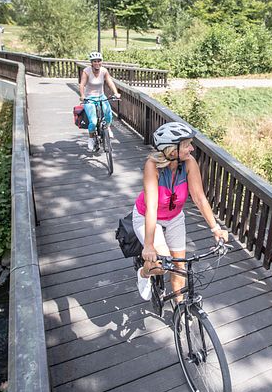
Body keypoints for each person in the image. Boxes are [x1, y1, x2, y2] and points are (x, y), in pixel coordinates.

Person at [132, 121, 229, 301]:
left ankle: (180, 308)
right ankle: (143, 273)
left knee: (179, 267)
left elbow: (199, 198)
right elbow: (151, 207)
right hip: (147, 216)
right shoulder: (152, 166)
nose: (191, 149)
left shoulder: (189, 163)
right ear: (172, 150)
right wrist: (149, 245)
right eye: (186, 145)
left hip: (174, 217)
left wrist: (215, 229)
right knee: (161, 265)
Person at [79, 51, 121, 151]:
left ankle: (107, 127)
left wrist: (116, 93)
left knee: (108, 114)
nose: (97, 63)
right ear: (91, 62)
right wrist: (82, 95)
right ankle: (91, 139)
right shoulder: (87, 71)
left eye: (99, 61)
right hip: (89, 98)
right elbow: (82, 85)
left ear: (101, 62)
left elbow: (110, 83)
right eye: (94, 61)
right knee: (93, 121)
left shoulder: (104, 71)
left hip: (101, 96)